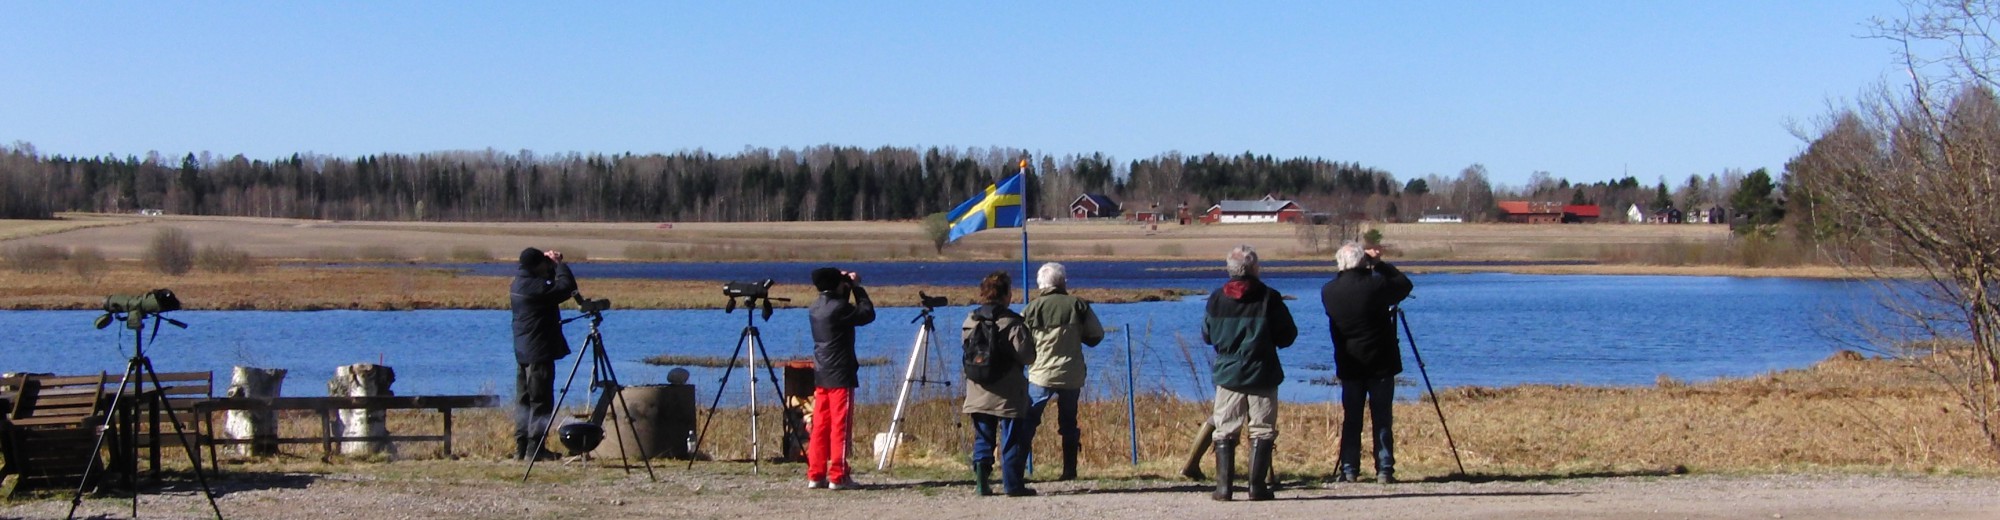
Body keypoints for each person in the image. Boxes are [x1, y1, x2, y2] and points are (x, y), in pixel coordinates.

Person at [1203, 245, 1297, 501]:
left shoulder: (1216, 298)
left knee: (1224, 429)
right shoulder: (1269, 297)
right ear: (1255, 268)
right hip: (1262, 371)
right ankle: (1256, 487)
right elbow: (1288, 336)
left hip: (1229, 373)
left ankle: (1224, 488)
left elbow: (1207, 335)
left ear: (1229, 269)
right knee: (1262, 429)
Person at [1320, 241, 1413, 484]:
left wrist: (1360, 263)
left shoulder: (1329, 291)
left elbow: (1345, 281)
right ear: (1363, 263)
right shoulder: (1377, 284)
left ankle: (1349, 469)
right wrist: (1379, 264)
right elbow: (1404, 286)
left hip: (1349, 363)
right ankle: (1384, 469)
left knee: (1352, 417)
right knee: (1382, 416)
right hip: (1381, 362)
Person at [1021, 262, 1105, 481]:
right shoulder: (1078, 305)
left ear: (1041, 284)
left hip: (1040, 374)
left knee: (1028, 420)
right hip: (1071, 374)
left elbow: (1020, 342)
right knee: (1069, 422)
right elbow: (1096, 336)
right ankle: (1069, 470)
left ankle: (1016, 468)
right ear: (1063, 282)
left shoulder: (1031, 308)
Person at [962, 271, 1039, 497]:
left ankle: (981, 482)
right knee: (1011, 439)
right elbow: (1028, 357)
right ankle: (1013, 485)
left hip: (978, 389)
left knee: (983, 436)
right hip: (1008, 392)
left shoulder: (970, 321)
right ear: (1007, 295)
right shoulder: (1012, 323)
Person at [807, 266, 875, 490]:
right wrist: (857, 288)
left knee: (820, 426)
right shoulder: (839, 308)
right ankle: (838, 475)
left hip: (822, 373)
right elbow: (866, 314)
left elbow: (840, 309)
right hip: (841, 375)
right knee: (840, 426)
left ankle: (816, 474)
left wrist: (842, 285)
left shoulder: (815, 307)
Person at [509, 247, 575, 461]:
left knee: (524, 401)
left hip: (523, 351)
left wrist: (546, 267)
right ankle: (535, 450)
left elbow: (551, 287)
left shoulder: (519, 282)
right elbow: (566, 288)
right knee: (541, 401)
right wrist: (558, 265)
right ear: (537, 265)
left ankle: (522, 448)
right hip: (538, 352)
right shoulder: (534, 287)